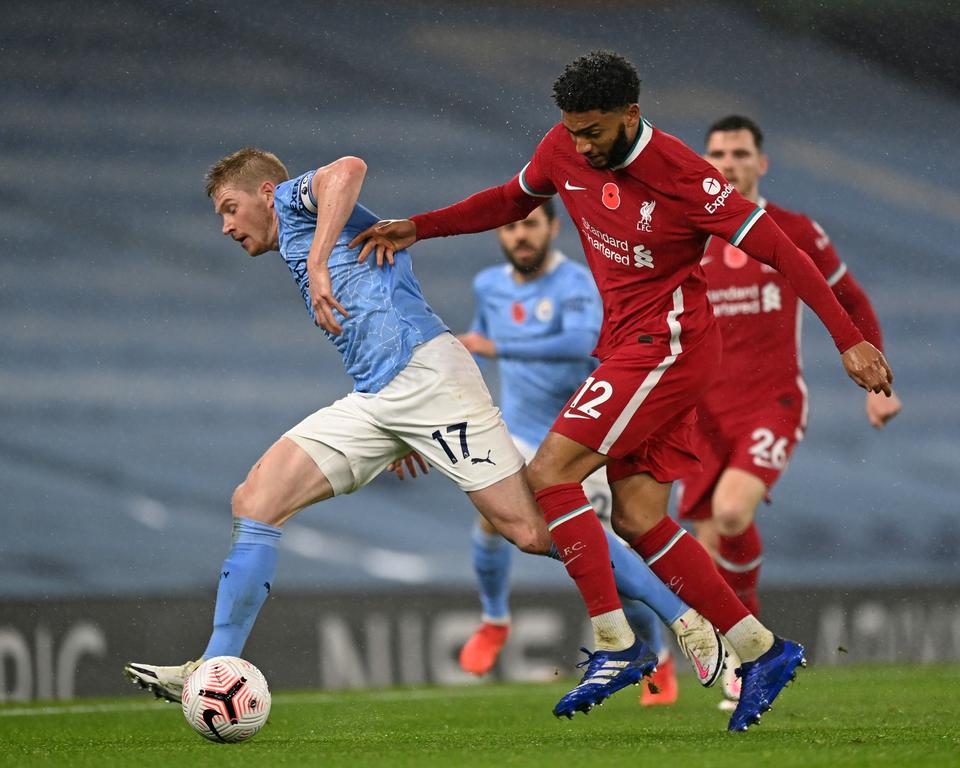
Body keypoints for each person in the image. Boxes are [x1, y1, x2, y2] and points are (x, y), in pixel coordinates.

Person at [351, 51, 894, 731]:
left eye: (594, 132)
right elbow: (513, 198)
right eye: (573, 131)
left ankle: (617, 641)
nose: (581, 145)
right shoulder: (563, 146)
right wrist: (421, 225)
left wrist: (849, 340)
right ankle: (762, 650)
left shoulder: (685, 175)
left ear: (630, 115)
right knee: (637, 517)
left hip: (669, 344)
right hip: (630, 346)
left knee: (550, 474)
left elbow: (783, 250)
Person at [122, 149, 724, 715]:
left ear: (264, 192)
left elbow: (348, 168)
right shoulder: (299, 234)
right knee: (255, 500)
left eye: (230, 208)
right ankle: (215, 665)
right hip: (378, 397)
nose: (226, 226)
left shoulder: (293, 202)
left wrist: (318, 259)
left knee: (532, 531)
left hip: (430, 378)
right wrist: (399, 432)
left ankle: (687, 621)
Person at [676, 115, 903, 708]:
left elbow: (850, 298)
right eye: (718, 153)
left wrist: (877, 383)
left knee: (731, 512)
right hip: (700, 412)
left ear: (762, 163)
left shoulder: (793, 230)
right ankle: (747, 658)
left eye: (740, 153)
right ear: (704, 163)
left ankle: (756, 648)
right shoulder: (688, 233)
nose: (729, 163)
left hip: (770, 401)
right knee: (706, 543)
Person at [452, 201, 678, 704]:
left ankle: (658, 657)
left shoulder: (577, 283)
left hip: (579, 441)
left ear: (553, 227)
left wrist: (498, 347)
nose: (521, 235)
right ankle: (494, 620)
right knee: (490, 518)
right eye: (511, 227)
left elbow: (579, 344)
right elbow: (476, 344)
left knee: (610, 563)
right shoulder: (488, 286)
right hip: (519, 435)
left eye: (530, 224)